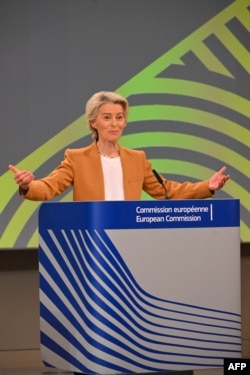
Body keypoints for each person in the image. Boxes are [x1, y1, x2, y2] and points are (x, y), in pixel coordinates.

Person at [9, 91, 229, 201]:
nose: (114, 123)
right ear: (93, 122)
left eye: (119, 117)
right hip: (92, 237)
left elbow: (167, 191)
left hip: (131, 236)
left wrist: (207, 186)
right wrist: (28, 185)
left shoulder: (137, 158)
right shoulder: (76, 158)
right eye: (107, 117)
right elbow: (48, 187)